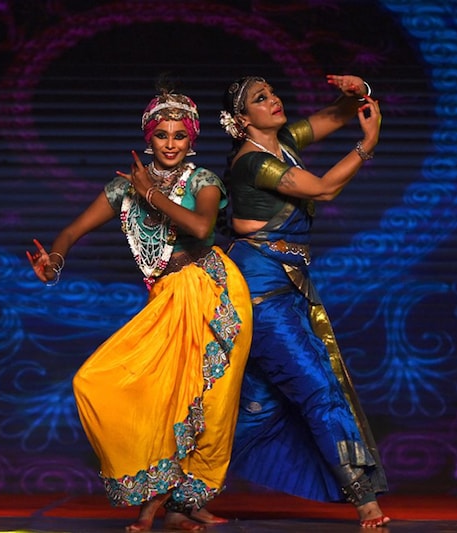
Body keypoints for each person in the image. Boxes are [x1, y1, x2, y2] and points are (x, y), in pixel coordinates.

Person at [27, 88, 252, 531]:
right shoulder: (122, 187)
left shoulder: (204, 181)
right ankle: (160, 501)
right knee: (103, 384)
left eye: (180, 136)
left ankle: (177, 507)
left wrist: (151, 194)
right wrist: (54, 261)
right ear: (149, 138)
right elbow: (70, 232)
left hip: (213, 292)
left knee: (210, 402)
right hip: (165, 298)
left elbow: (203, 227)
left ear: (192, 141)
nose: (171, 144)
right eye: (163, 135)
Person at [218, 74, 390, 528]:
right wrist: (366, 145)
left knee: (260, 403)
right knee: (317, 386)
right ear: (241, 120)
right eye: (260, 99)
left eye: (272, 92)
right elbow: (323, 189)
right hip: (260, 292)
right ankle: (364, 499)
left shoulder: (284, 142)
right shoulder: (251, 164)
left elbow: (337, 113)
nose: (274, 100)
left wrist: (359, 90)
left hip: (287, 285)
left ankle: (178, 495)